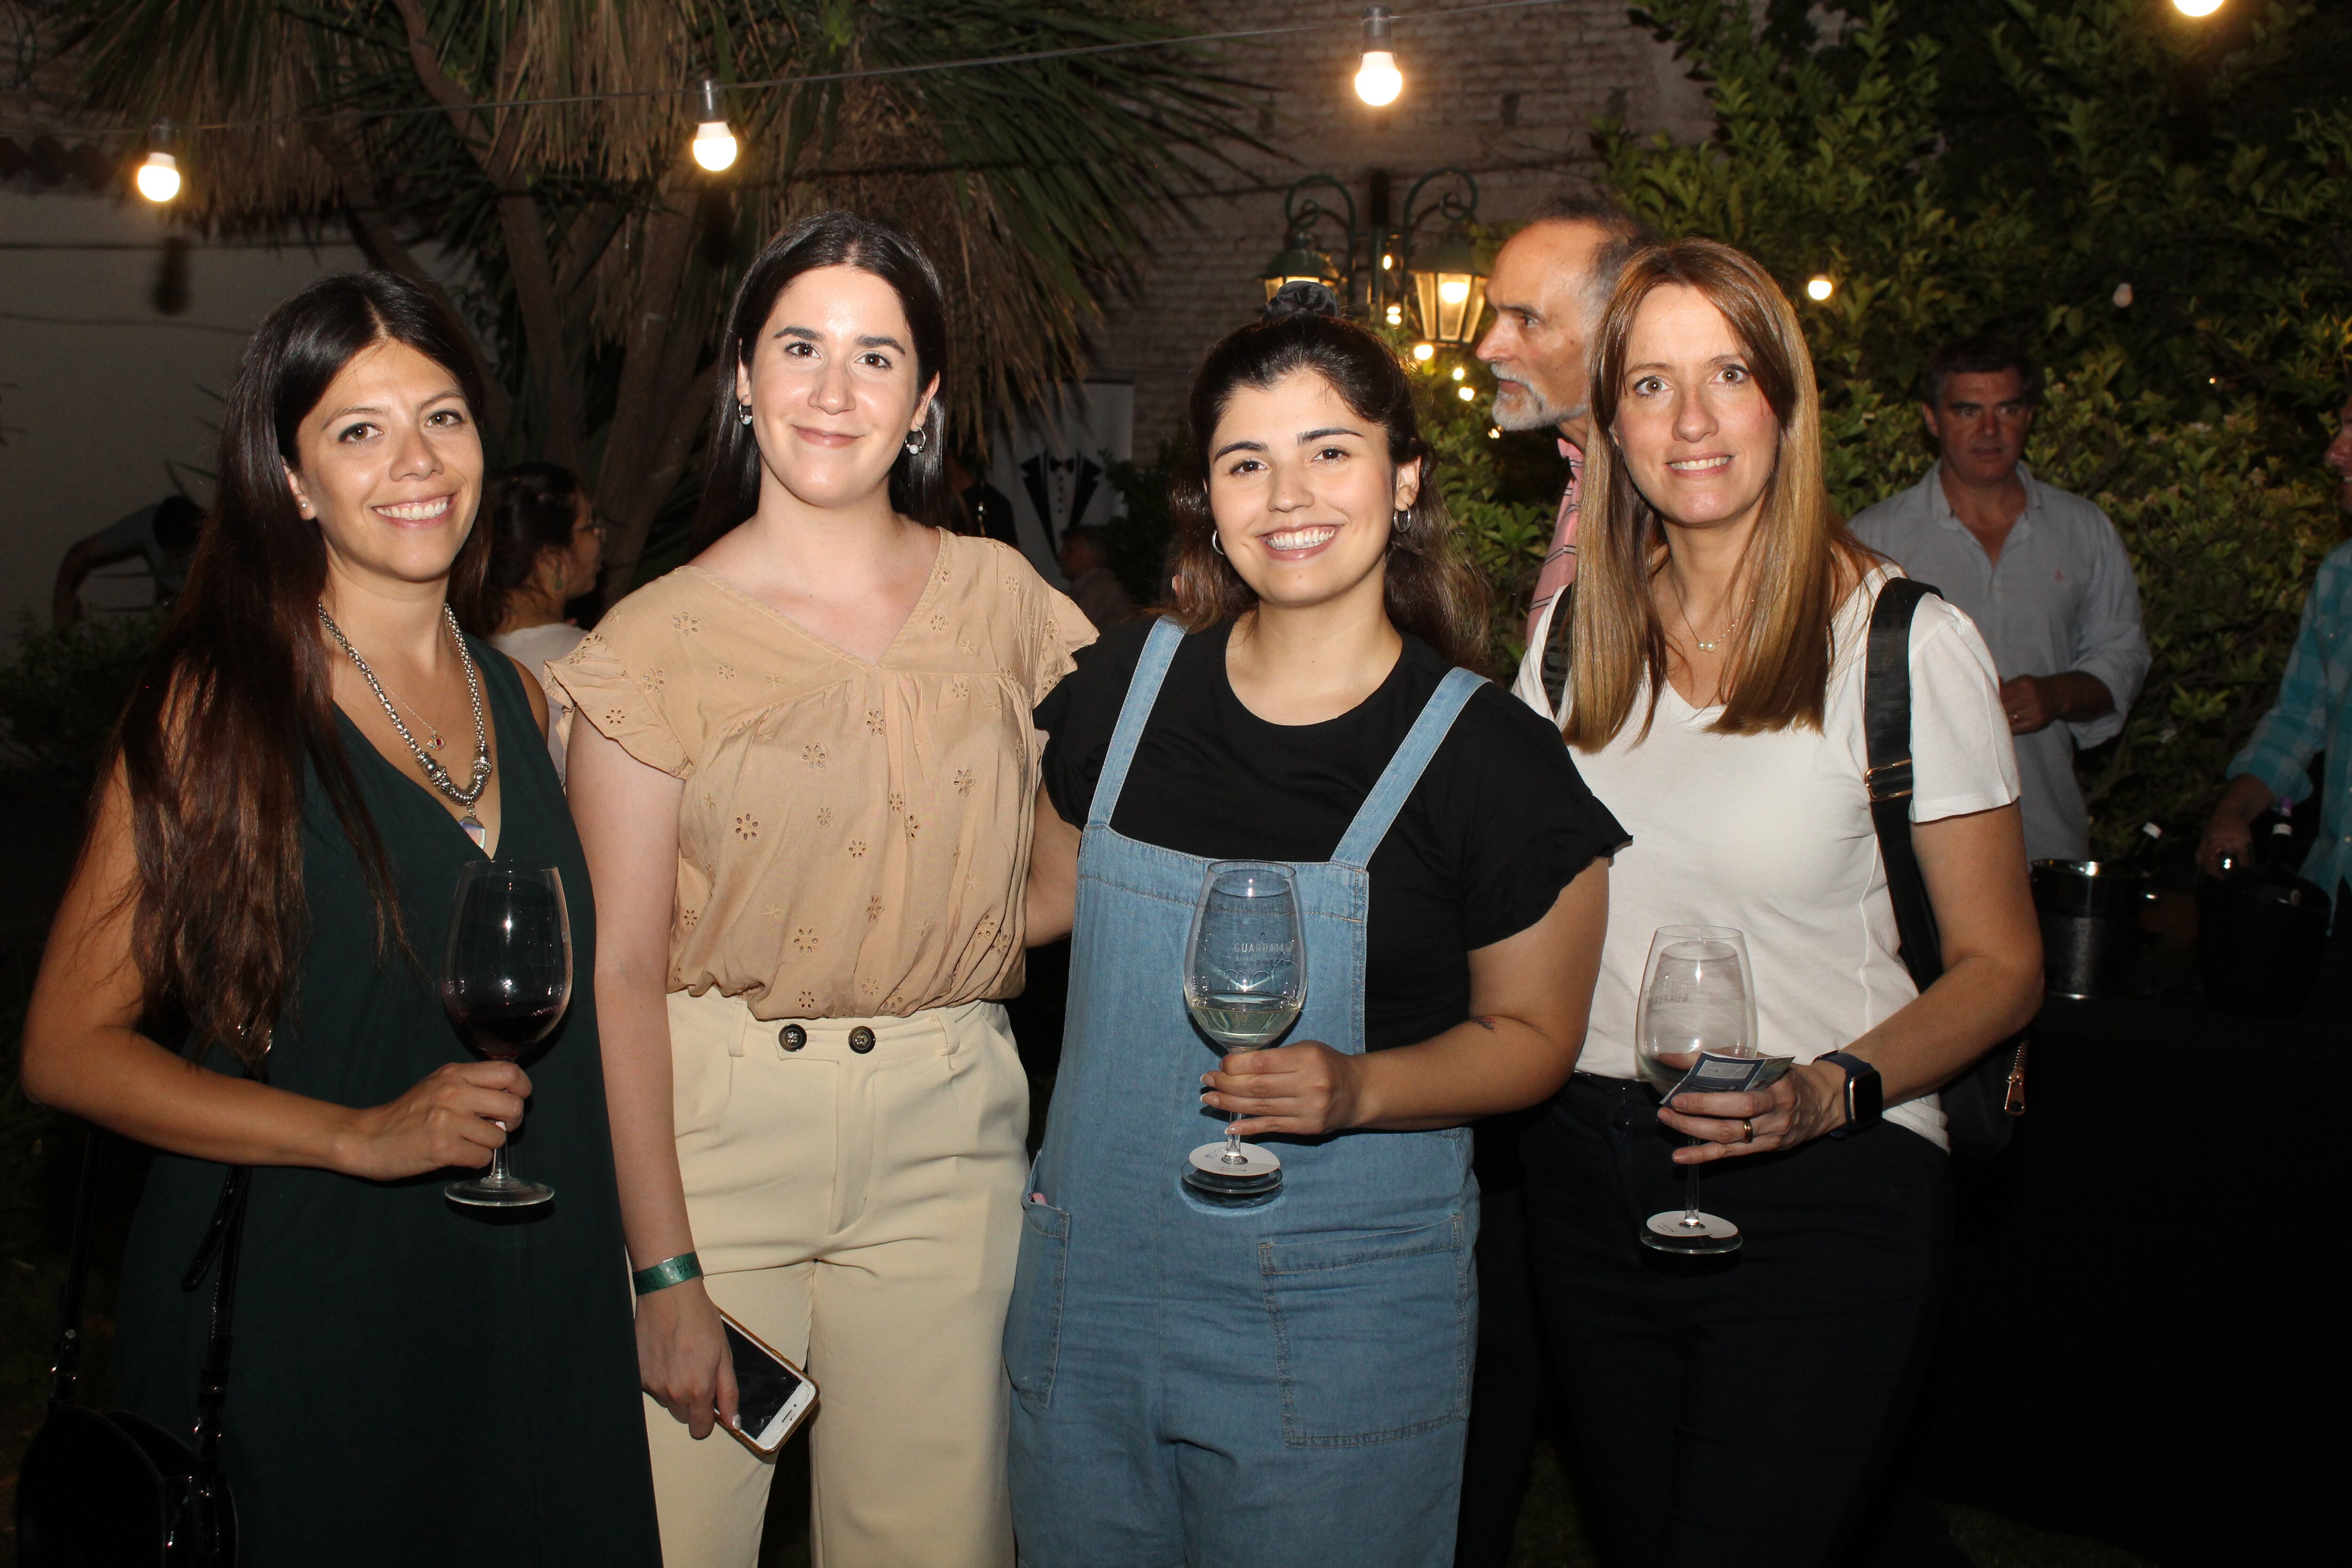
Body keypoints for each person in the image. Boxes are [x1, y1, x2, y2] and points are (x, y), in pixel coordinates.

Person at [19, 271, 660, 1567]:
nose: (415, 462)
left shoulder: (521, 703)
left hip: (523, 1287)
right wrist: (359, 1135)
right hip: (312, 1302)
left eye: (442, 417)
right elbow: (67, 1047)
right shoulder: (223, 705)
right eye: (358, 431)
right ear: (295, 481)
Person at [1008, 283, 1620, 1567]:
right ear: (1207, 500)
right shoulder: (1122, 687)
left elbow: (1533, 1035)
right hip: (1091, 1283)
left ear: (1404, 480)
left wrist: (1360, 1085)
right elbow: (1032, 906)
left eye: (1330, 451)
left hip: (1343, 1301)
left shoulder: (1487, 761)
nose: (1288, 495)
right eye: (1248, 461)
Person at [555, 211, 1091, 1568]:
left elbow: (1061, 878)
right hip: (715, 1131)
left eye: (875, 355)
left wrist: (921, 937)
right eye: (800, 346)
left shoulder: (1002, 601)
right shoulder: (654, 637)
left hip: (949, 1127)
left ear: (924, 401)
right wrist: (664, 1266)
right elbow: (616, 965)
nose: (834, 389)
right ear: (742, 377)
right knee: (678, 1535)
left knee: (937, 1542)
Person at [1512, 240, 2042, 1567]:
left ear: (1785, 406)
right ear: (1610, 425)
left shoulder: (1906, 643)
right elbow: (1517, 903)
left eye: (1729, 374)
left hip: (1826, 1172)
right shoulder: (1573, 637)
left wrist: (1827, 1091)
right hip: (1588, 1172)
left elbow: (1999, 966)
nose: (1691, 421)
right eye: (1650, 383)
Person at [1463, 187, 1656, 1567]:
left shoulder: (1673, 517)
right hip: (1561, 1015)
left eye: (1525, 316)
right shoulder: (1588, 498)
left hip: (1651, 1034)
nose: (1487, 340)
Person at [1850, 335, 2150, 862]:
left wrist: (2055, 695)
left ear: (2027, 417)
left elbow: (2122, 655)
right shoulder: (1874, 542)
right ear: (1931, 418)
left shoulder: (2082, 530)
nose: (1989, 431)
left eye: (2006, 409)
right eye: (1967, 410)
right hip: (1906, 845)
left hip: (2044, 831)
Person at [2198, 386, 2352, 967]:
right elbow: (2299, 717)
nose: (2334, 454)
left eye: (2351, 430)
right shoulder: (2340, 576)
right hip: (2333, 904)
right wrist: (2235, 811)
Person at [1476, 191, 1659, 641]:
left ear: (1617, 331)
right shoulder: (1584, 468)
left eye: (1527, 320)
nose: (1486, 349)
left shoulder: (1674, 498)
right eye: (1496, 313)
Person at [461, 461, 606, 779]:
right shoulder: (593, 660)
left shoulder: (459, 655)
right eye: (589, 526)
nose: (600, 537)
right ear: (551, 562)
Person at [52, 492, 205, 627]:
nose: (169, 561)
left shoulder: (214, 541)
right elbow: (81, 553)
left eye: (177, 555)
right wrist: (63, 593)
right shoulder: (147, 523)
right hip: (169, 619)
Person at [1054, 522, 1137, 629]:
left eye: (1069, 550)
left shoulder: (1102, 587)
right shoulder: (1088, 586)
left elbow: (1068, 627)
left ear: (1090, 556)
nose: (1061, 555)